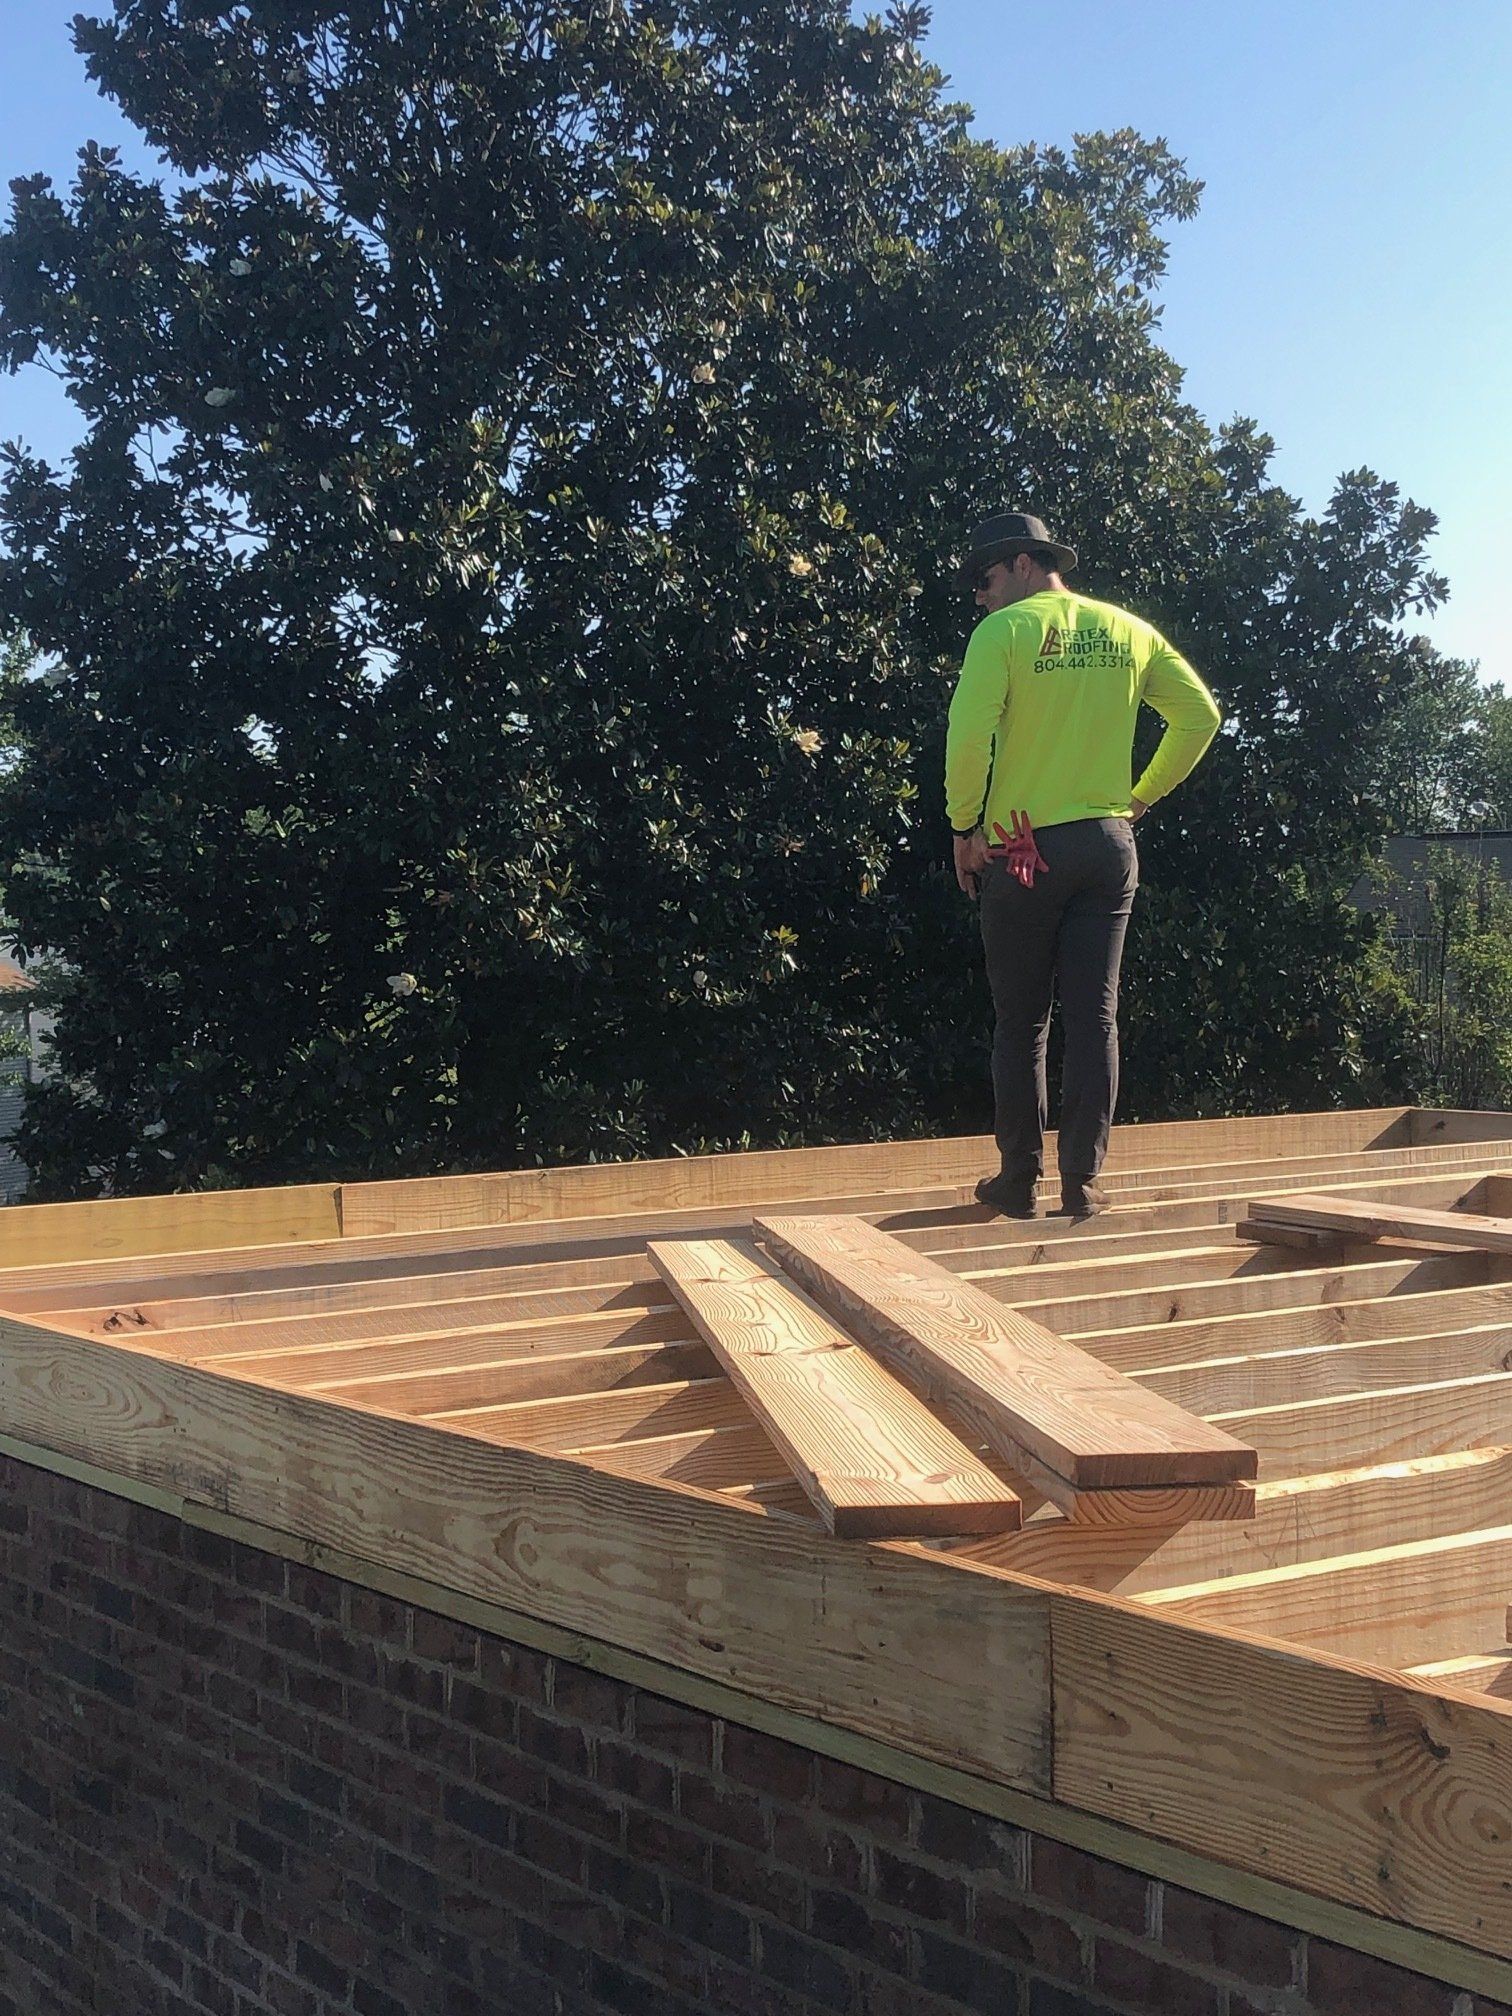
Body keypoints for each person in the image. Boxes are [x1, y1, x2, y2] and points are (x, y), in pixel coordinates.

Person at [945, 511, 1221, 1220]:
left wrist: (964, 827)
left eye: (985, 578)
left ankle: (1017, 1183)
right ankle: (1083, 1183)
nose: (979, 594)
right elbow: (1200, 717)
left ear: (1024, 565)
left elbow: (970, 735)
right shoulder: (1128, 630)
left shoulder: (1002, 634)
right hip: (1105, 845)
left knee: (1021, 1021)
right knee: (1096, 1017)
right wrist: (1138, 800)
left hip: (1023, 847)